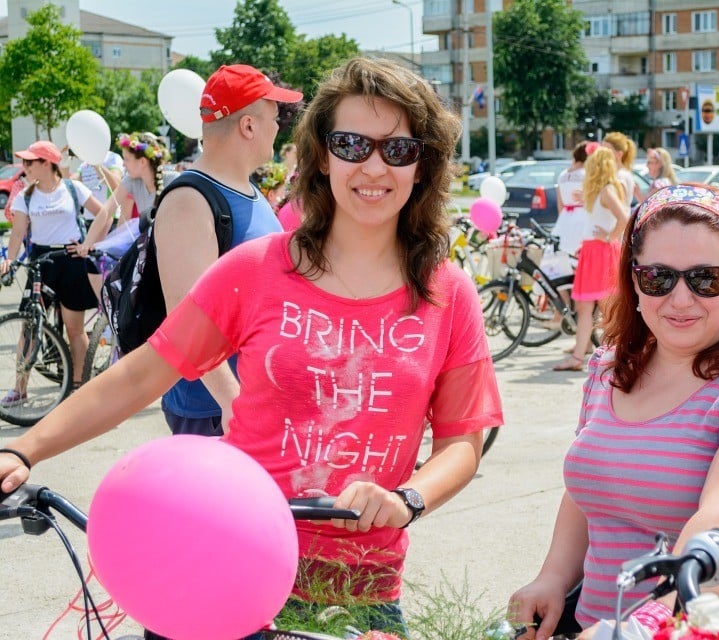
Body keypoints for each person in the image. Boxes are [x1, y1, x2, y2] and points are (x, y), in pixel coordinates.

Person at [0, 57, 503, 638]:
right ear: (320, 155)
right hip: (228, 561)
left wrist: (408, 498)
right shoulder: (256, 270)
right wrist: (25, 450)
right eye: (350, 143)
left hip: (361, 590)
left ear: (423, 163)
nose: (372, 166)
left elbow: (462, 441)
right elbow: (145, 373)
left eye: (396, 149)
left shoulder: (448, 293)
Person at [512, 184, 719, 640]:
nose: (680, 299)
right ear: (633, 279)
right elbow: (588, 489)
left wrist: (643, 626)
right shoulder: (610, 367)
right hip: (594, 626)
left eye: (705, 278)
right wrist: (553, 577)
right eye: (658, 277)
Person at [153, 64, 301, 440]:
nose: (278, 126)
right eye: (273, 116)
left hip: (253, 399)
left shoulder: (248, 191)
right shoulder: (190, 200)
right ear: (248, 126)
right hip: (214, 411)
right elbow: (187, 323)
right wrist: (232, 402)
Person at [0, 141, 104, 396]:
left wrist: (88, 244)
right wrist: (10, 260)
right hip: (40, 262)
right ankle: (20, 388)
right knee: (29, 325)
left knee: (74, 329)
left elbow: (103, 214)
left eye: (29, 162)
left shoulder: (72, 188)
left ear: (47, 164)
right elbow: (17, 234)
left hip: (70, 261)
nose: (24, 167)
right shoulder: (26, 195)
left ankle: (79, 386)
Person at [553, 146, 628, 372]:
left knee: (604, 308)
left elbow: (624, 217)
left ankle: (614, 355)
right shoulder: (600, 190)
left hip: (601, 251)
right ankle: (582, 356)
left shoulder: (606, 190)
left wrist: (609, 237)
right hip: (592, 250)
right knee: (587, 307)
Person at [78, 133, 179, 295]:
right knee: (101, 263)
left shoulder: (173, 180)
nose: (123, 165)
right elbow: (107, 210)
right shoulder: (131, 181)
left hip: (170, 246)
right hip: (145, 241)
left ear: (142, 162)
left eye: (126, 159)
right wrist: (88, 242)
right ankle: (109, 309)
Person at [554, 141, 590, 256]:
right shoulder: (587, 174)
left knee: (566, 254)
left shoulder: (562, 175)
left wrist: (563, 219)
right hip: (583, 215)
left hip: (566, 216)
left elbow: (560, 203)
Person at [75, 149, 123, 224]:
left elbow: (116, 185)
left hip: (110, 218)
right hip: (89, 219)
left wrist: (96, 164)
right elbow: (72, 185)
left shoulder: (112, 157)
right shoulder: (84, 164)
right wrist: (63, 166)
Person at [602, 131, 642, 205]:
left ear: (619, 154)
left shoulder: (621, 175)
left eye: (607, 151)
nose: (602, 154)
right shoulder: (618, 174)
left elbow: (616, 205)